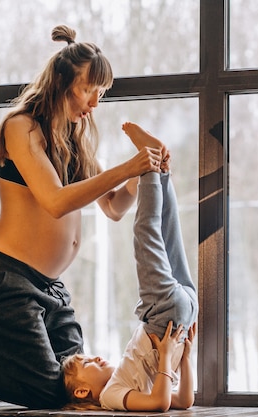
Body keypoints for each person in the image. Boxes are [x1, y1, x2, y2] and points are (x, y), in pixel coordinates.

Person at [0, 25, 166, 409]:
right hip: (6, 280)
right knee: (46, 391)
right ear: (62, 82)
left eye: (102, 94)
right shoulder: (23, 127)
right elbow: (54, 201)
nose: (95, 103)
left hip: (51, 287)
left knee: (74, 386)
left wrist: (142, 173)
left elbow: (113, 207)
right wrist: (126, 166)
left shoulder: (75, 138)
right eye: (89, 90)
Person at [61, 122, 199, 412]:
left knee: (167, 232)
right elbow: (161, 404)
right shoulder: (111, 396)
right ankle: (149, 165)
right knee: (146, 234)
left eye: (87, 356)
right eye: (86, 363)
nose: (94, 357)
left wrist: (179, 355)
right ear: (84, 390)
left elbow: (184, 401)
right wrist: (176, 356)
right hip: (165, 319)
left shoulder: (127, 381)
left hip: (177, 316)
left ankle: (160, 171)